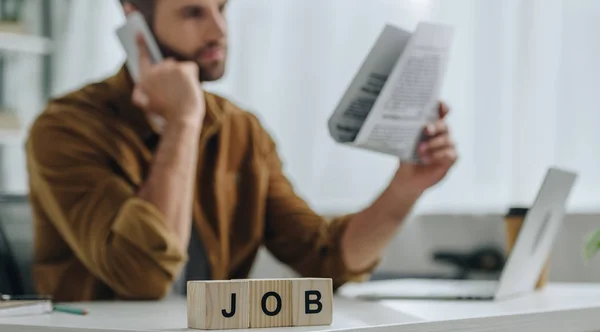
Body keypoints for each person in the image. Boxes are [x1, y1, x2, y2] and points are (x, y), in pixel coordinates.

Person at [25, 0, 458, 302]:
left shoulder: (241, 130)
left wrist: (407, 186)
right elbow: (143, 278)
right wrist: (182, 123)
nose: (219, 30)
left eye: (222, 8)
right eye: (194, 12)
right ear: (134, 21)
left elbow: (325, 259)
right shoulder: (64, 129)